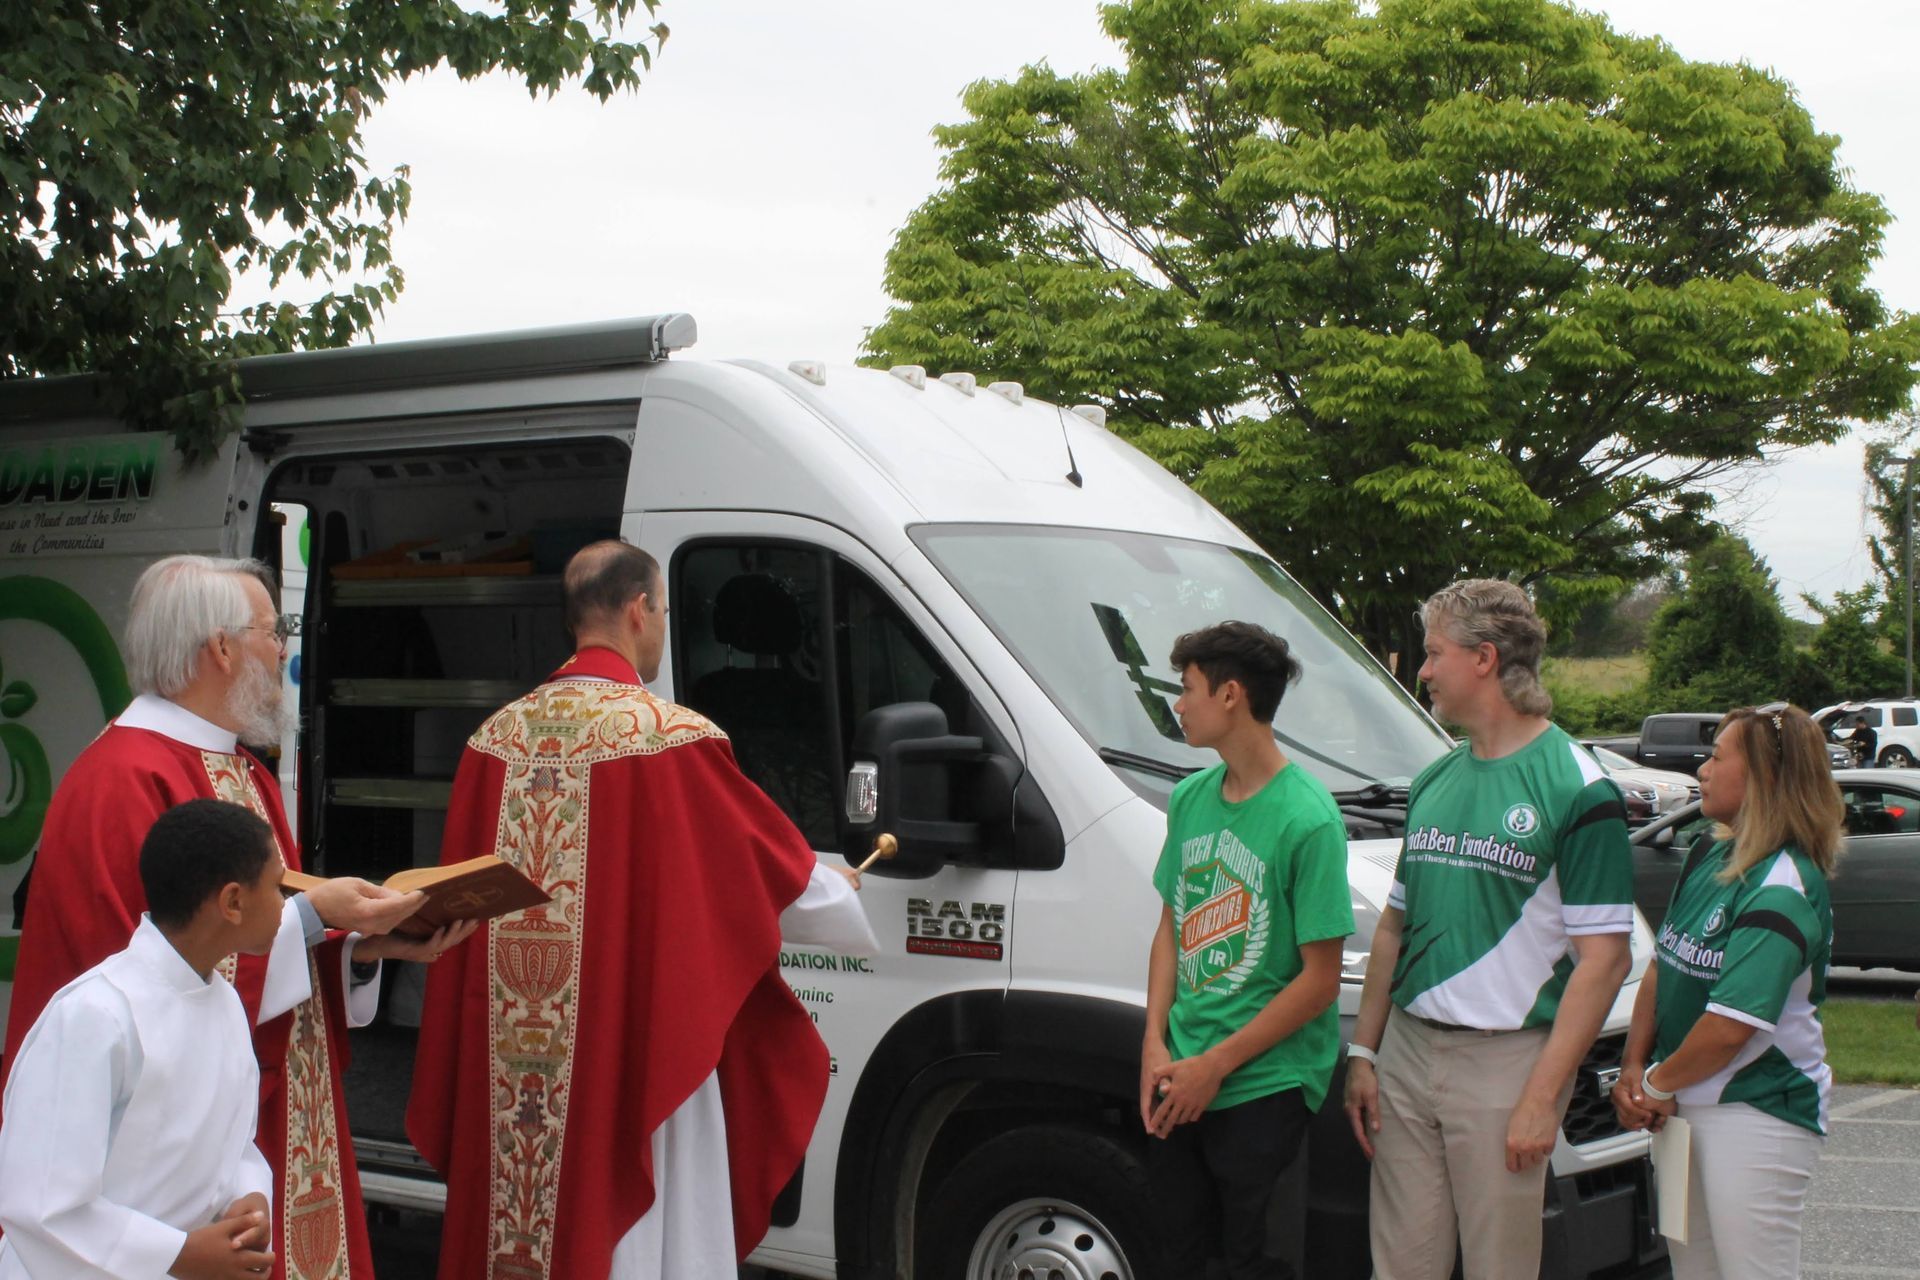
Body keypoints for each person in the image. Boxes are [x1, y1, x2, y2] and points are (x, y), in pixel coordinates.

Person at [408, 540, 877, 1280]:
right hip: (633, 1045)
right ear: (637, 610)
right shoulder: (667, 738)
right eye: (661, 609)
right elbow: (758, 866)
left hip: (514, 1060)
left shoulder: (493, 741)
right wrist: (836, 892)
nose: (660, 625)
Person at [0, 554, 467, 1280]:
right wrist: (314, 918)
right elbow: (156, 966)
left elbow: (255, 925)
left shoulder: (239, 767)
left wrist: (362, 950)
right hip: (165, 1170)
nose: (282, 648)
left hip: (265, 1113)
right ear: (219, 648)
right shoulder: (123, 777)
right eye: (269, 630)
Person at [1342, 579, 1633, 1280]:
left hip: (1506, 1065)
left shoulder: (1579, 786)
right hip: (1409, 1052)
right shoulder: (1437, 778)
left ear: (1485, 659)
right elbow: (1394, 927)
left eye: (1434, 652)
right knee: (1401, 1267)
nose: (1423, 670)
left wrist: (1541, 1098)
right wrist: (1366, 1054)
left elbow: (1606, 961)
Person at [1140, 622, 1353, 1279]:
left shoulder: (1309, 819)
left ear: (1230, 695)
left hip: (1264, 1085)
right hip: (1181, 1075)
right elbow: (1172, 928)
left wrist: (1217, 1066)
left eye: (1188, 688)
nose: (1178, 703)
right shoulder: (1190, 798)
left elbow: (1320, 982)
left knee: (1254, 1266)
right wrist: (1155, 1042)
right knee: (1174, 1258)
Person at [0, 800, 285, 1280]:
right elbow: (41, 1204)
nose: (285, 904)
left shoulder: (225, 1003)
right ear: (232, 902)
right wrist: (179, 1255)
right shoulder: (97, 1015)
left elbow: (233, 1143)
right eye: (278, 887)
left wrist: (250, 1199)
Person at [1610, 703, 1841, 1278]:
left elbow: (1730, 1026)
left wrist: (1656, 1083)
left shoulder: (1783, 884)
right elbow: (1664, 968)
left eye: (1717, 756)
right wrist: (1633, 1068)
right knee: (1695, 1272)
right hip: (1684, 1101)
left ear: (1763, 777)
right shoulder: (1712, 853)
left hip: (1758, 1109)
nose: (1702, 770)